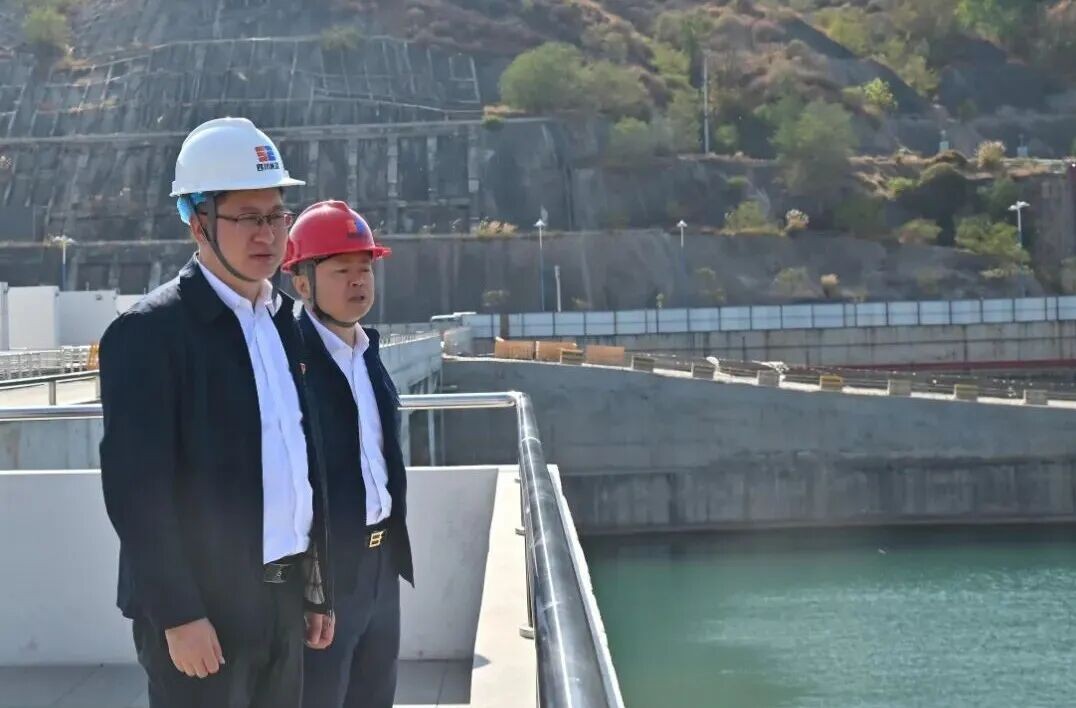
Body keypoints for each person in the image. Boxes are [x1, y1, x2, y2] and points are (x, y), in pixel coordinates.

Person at [98, 117, 335, 708]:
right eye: (247, 218)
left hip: (284, 599)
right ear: (197, 220)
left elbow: (303, 461)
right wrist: (178, 614)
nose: (268, 234)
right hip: (202, 613)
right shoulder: (150, 333)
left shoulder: (288, 323)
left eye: (277, 216)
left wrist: (315, 587)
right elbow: (136, 491)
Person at [281, 200, 415, 708]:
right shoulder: (289, 362)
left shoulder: (368, 353)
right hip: (326, 570)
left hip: (382, 565)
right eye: (341, 271)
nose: (358, 281)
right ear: (302, 282)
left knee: (376, 695)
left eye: (365, 268)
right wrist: (311, 586)